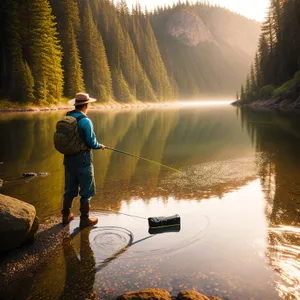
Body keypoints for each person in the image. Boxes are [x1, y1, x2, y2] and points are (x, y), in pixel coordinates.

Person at [61, 92, 105, 228]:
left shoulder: (68, 118)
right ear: (86, 105)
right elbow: (92, 142)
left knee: (69, 190)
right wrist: (100, 146)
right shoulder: (85, 121)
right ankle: (84, 219)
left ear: (76, 104)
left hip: (68, 160)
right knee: (86, 191)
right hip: (83, 160)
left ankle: (65, 216)